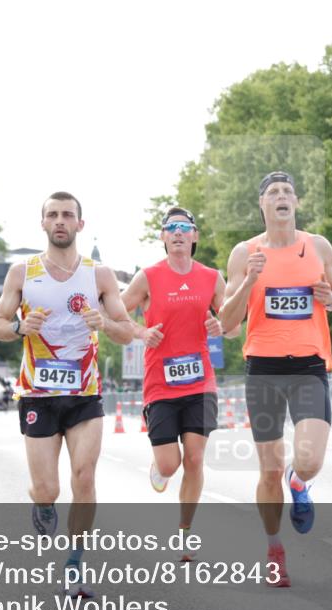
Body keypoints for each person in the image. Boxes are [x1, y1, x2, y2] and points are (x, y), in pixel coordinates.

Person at [0, 190, 134, 599]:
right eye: (52, 215)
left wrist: (103, 322)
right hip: (37, 394)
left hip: (84, 393)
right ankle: (43, 503)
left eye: (67, 215)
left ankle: (75, 563)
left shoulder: (100, 276)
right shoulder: (22, 272)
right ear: (43, 224)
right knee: (47, 488)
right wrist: (20, 328)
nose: (60, 221)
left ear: (79, 225)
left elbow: (127, 333)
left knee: (84, 477)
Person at [220, 171, 332, 587]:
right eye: (273, 192)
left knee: (308, 460)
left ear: (296, 203)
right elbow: (226, 321)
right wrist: (251, 280)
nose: (282, 197)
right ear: (262, 205)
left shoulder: (318, 246)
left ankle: (300, 481)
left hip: (308, 365)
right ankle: (274, 548)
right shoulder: (244, 253)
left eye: (288, 192)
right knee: (268, 469)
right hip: (265, 369)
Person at [121, 206, 236, 560]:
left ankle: (185, 532)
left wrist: (222, 326)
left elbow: (233, 324)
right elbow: (117, 315)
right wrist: (141, 331)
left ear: (194, 236)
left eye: (184, 228)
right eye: (170, 228)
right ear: (163, 237)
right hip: (160, 385)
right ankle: (160, 467)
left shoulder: (211, 277)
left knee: (196, 460)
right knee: (171, 465)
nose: (177, 233)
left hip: (201, 383)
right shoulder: (148, 277)